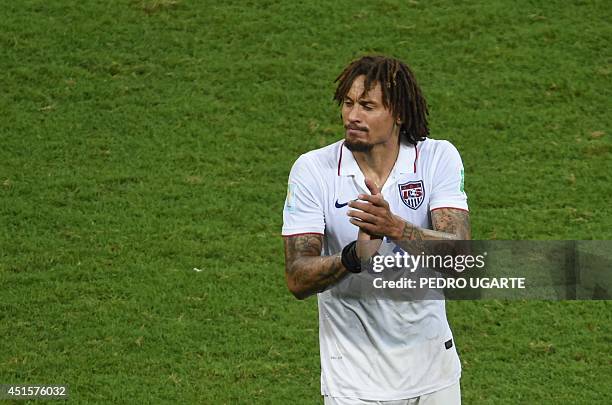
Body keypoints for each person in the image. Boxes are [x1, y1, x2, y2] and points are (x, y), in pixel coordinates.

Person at [282, 55, 470, 405]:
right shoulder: (313, 170)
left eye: (367, 106)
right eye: (349, 104)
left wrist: (395, 228)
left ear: (398, 113)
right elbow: (297, 277)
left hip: (433, 375)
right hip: (353, 382)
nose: (353, 116)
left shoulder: (436, 159)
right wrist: (354, 257)